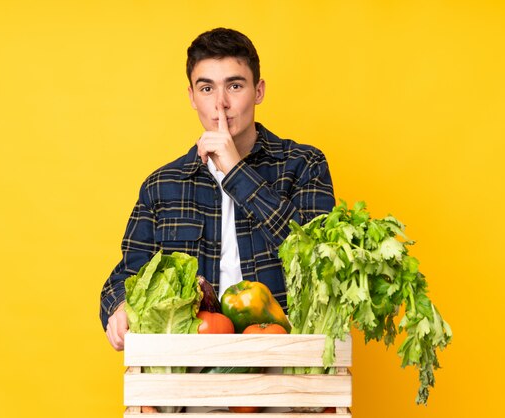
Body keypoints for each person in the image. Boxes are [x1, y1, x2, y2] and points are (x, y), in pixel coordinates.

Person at [100, 27, 335, 350]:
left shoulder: (304, 164)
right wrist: (120, 306)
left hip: (287, 360)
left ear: (258, 91)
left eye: (234, 86)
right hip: (190, 370)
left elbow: (322, 263)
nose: (220, 104)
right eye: (207, 88)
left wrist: (237, 171)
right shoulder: (162, 185)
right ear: (192, 97)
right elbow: (124, 277)